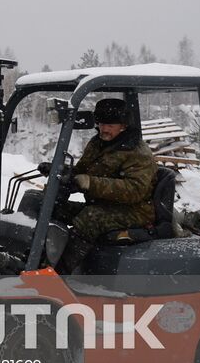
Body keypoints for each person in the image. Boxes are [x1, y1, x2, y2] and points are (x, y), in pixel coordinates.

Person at [52, 97, 157, 273]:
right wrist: (64, 174)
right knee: (47, 206)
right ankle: (37, 257)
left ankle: (59, 273)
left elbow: (135, 190)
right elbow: (81, 170)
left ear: (123, 125)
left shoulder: (137, 152)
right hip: (104, 205)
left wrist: (91, 183)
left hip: (136, 211)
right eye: (101, 124)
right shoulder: (97, 143)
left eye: (110, 125)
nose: (104, 129)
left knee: (91, 218)